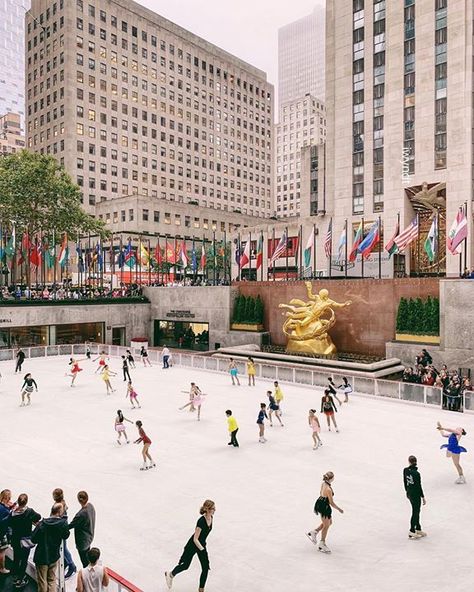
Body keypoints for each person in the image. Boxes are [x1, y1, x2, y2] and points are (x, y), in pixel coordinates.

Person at [165, 500, 215, 592]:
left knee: (205, 568)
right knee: (185, 566)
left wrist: (202, 547)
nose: (214, 510)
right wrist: (202, 549)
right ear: (207, 509)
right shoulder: (201, 521)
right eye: (212, 508)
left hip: (201, 544)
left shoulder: (211, 517)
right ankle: (170, 574)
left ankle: (201, 589)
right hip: (192, 545)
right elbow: (195, 539)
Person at [31, 503, 70, 592]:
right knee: (52, 580)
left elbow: (33, 539)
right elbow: (66, 535)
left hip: (41, 556)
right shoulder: (62, 524)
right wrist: (64, 520)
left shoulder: (42, 524)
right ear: (60, 512)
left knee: (42, 581)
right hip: (54, 555)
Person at [306, 471, 344, 553]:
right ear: (331, 479)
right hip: (324, 506)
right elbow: (331, 503)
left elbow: (320, 493)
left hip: (320, 502)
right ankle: (322, 543)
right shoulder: (328, 489)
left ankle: (314, 532)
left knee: (329, 523)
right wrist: (339, 509)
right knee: (326, 525)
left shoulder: (323, 484)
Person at [9, 493, 41, 588]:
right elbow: (38, 517)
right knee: (24, 560)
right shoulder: (29, 511)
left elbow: (10, 523)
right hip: (25, 540)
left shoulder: (12, 513)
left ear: (18, 502)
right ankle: (20, 578)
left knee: (16, 557)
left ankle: (14, 574)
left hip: (15, 539)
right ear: (26, 502)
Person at [51, 488, 76, 579]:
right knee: (63, 548)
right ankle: (66, 562)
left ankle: (72, 565)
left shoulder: (59, 506)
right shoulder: (62, 503)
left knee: (64, 549)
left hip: (61, 530)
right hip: (61, 529)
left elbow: (57, 518)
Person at [68, 491, 96, 568]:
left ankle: (88, 575)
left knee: (84, 561)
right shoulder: (91, 506)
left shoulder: (81, 514)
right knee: (88, 558)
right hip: (89, 536)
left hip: (83, 541)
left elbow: (71, 525)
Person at [403, 455, 426, 540]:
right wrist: (422, 496)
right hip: (415, 495)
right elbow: (419, 486)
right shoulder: (416, 474)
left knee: (416, 511)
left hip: (410, 493)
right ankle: (412, 530)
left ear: (409, 462)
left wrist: (407, 491)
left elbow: (405, 481)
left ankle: (418, 528)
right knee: (415, 512)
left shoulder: (405, 470)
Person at [0, 489, 12, 575]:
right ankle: (2, 568)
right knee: (2, 551)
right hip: (1, 534)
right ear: (7, 498)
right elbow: (7, 522)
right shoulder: (6, 511)